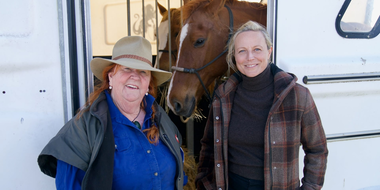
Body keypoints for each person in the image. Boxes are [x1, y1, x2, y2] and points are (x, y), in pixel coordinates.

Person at [38, 36, 186, 190]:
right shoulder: (83, 129)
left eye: (143, 72)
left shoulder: (161, 120)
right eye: (126, 69)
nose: (134, 76)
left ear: (148, 83)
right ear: (110, 76)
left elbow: (179, 177)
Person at [195, 21, 328, 190]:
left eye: (257, 49)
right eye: (242, 51)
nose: (250, 57)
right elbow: (209, 145)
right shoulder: (223, 96)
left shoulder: (297, 96)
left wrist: (310, 187)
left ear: (269, 51)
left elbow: (317, 150)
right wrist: (203, 182)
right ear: (235, 56)